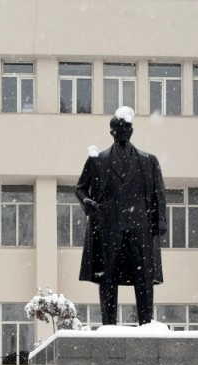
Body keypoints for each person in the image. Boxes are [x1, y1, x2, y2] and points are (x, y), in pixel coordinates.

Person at [75, 106, 167, 325]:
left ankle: (146, 323)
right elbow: (80, 188)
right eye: (118, 128)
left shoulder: (148, 161)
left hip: (140, 226)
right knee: (108, 275)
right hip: (109, 226)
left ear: (132, 131)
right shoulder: (98, 160)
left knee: (143, 276)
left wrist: (160, 219)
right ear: (112, 132)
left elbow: (158, 193)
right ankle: (109, 324)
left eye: (126, 128)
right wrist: (87, 202)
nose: (122, 131)